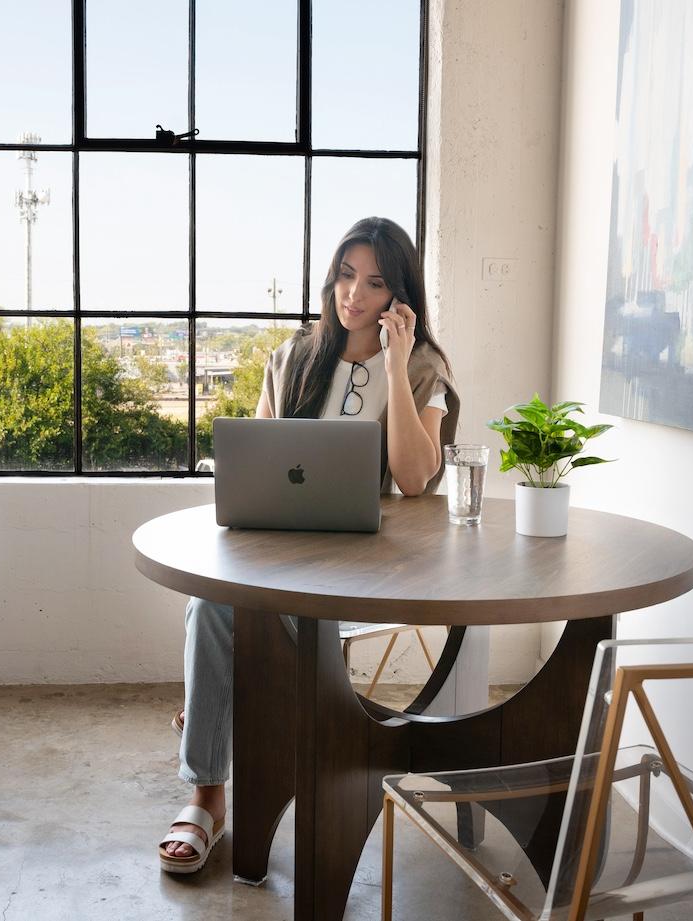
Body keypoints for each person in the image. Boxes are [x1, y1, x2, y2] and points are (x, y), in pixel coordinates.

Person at [157, 216, 461, 873]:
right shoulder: (294, 356)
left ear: (398, 296)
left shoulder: (424, 368)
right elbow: (258, 464)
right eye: (346, 274)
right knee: (211, 605)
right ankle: (208, 793)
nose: (354, 293)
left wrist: (398, 362)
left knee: (234, 636)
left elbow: (414, 478)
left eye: (375, 282)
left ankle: (219, 703)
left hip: (372, 574)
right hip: (287, 561)